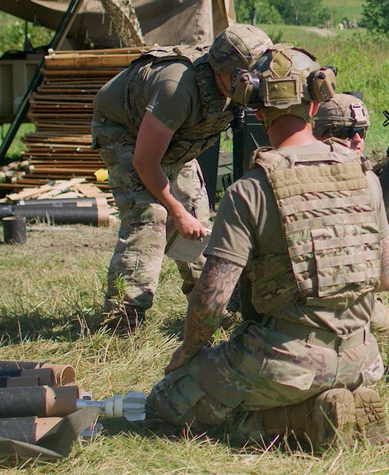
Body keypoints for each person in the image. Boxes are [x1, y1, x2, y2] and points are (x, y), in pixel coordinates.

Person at [144, 44, 389, 451]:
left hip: (288, 363)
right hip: (363, 359)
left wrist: (188, 354)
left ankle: (302, 420)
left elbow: (211, 303)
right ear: (315, 106)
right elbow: (386, 278)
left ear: (257, 110)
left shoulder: (250, 190)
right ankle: (335, 399)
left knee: (166, 403)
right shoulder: (365, 177)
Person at [91, 24, 273, 332]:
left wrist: (185, 215)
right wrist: (175, 212)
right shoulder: (177, 88)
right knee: (150, 215)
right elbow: (145, 162)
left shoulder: (235, 85)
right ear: (227, 72)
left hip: (176, 140)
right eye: (248, 77)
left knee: (195, 222)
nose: (255, 84)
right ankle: (122, 318)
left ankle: (207, 306)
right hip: (124, 132)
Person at [312, 93, 389, 333]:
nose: (357, 140)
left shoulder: (366, 178)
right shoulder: (363, 181)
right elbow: (384, 279)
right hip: (318, 297)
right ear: (322, 135)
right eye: (346, 133)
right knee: (383, 325)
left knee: (387, 324)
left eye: (362, 132)